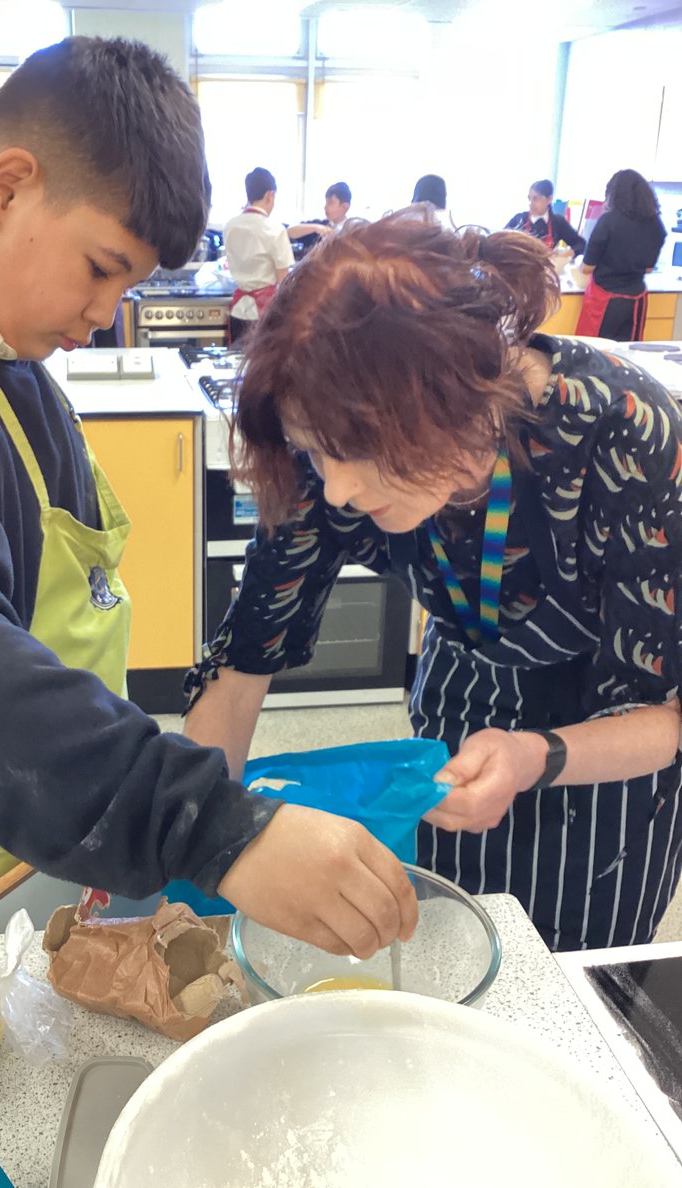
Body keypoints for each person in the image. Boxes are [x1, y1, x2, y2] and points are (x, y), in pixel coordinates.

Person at [0, 37, 417, 954]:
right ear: (7, 189)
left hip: (40, 828)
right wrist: (216, 828)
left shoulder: (11, 362)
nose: (103, 311)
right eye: (101, 267)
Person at [183, 208, 682, 953]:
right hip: (458, 710)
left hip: (606, 768)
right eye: (316, 452)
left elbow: (667, 714)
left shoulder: (624, 435)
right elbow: (243, 664)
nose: (340, 488)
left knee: (564, 991)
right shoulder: (333, 453)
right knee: (450, 947)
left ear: (453, 405)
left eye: (356, 452)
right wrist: (201, 851)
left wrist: (531, 755)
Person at [576, 169, 667, 342]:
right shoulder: (655, 224)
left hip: (605, 300)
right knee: (629, 353)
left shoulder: (608, 220)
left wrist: (580, 262)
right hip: (636, 300)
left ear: (613, 194)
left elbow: (587, 268)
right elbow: (648, 268)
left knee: (598, 353)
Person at [224, 167, 295, 344]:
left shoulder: (230, 226)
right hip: (265, 312)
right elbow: (284, 279)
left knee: (237, 364)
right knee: (264, 368)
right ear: (270, 195)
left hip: (238, 310)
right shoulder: (274, 229)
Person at [505, 178, 586, 261]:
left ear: (549, 199)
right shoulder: (519, 219)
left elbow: (580, 243)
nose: (530, 204)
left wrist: (568, 253)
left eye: (536, 199)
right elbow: (500, 242)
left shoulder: (558, 222)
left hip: (545, 270)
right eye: (529, 198)